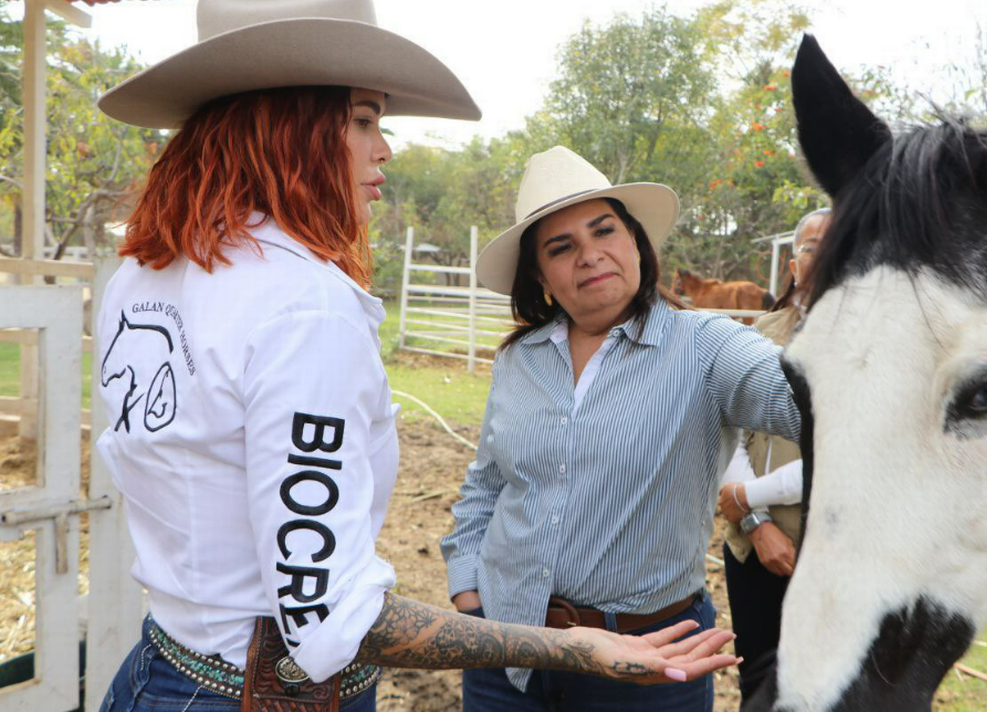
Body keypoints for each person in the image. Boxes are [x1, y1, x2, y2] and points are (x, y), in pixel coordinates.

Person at [92, 3, 738, 711]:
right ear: (292, 125)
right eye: (365, 119)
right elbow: (329, 617)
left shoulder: (146, 274)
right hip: (265, 693)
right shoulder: (304, 306)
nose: (384, 148)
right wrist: (572, 647)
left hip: (165, 664)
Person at [440, 146, 802, 712]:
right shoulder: (521, 359)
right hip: (508, 653)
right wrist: (470, 598)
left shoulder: (706, 346)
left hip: (649, 659)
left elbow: (798, 403)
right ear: (540, 274)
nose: (590, 255)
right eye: (561, 247)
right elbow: (486, 485)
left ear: (635, 240)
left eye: (604, 230)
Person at [716, 207, 830, 704]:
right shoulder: (757, 334)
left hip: (838, 550)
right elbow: (727, 434)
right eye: (810, 247)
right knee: (760, 683)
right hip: (757, 547)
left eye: (837, 242)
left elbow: (842, 457)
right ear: (793, 264)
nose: (823, 256)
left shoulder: (879, 341)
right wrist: (757, 522)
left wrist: (746, 497)